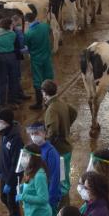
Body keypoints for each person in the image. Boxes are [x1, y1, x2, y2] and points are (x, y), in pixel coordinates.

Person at [42, 79, 76, 208]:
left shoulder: (51, 109)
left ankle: (62, 208)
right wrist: (66, 128)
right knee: (64, 177)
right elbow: (73, 112)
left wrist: (46, 146)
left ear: (44, 93)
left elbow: (53, 131)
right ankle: (64, 206)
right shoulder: (61, 102)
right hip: (66, 147)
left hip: (59, 150)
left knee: (60, 180)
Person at [0, 109, 24, 216]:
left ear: (7, 123)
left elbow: (16, 163)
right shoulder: (4, 134)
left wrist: (11, 182)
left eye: (0, 122)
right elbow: (1, 154)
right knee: (3, 198)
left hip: (13, 177)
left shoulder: (16, 139)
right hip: (4, 174)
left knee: (12, 204)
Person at [25, 122, 61, 214]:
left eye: (37, 133)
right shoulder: (32, 149)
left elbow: (54, 177)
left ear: (44, 133)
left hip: (47, 194)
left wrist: (51, 199)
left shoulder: (51, 152)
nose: (34, 136)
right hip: (39, 193)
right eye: (32, 134)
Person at [24, 12, 54, 110]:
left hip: (36, 59)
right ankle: (50, 101)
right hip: (47, 56)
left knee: (38, 80)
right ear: (35, 18)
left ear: (27, 22)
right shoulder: (45, 26)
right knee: (48, 76)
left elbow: (26, 47)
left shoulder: (28, 33)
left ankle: (38, 103)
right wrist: (51, 46)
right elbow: (51, 33)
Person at [0, 17, 21, 107]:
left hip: (0, 58)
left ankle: (2, 104)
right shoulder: (13, 34)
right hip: (12, 57)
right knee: (13, 80)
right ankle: (13, 101)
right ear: (9, 25)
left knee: (1, 81)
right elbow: (18, 45)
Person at [12, 15, 31, 101]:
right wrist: (25, 50)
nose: (20, 24)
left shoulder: (16, 32)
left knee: (17, 76)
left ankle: (19, 94)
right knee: (15, 77)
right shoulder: (14, 33)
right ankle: (16, 96)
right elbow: (20, 45)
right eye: (18, 22)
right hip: (15, 57)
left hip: (16, 57)